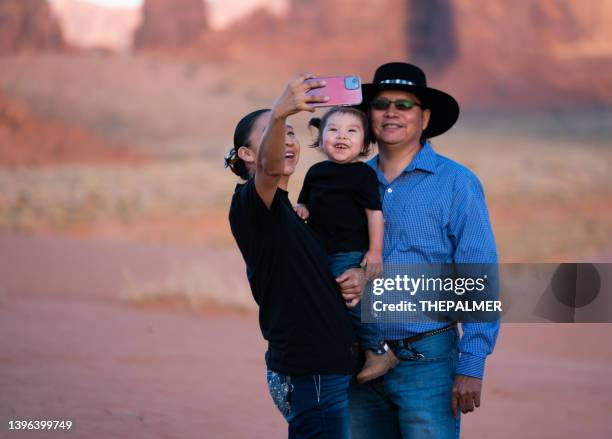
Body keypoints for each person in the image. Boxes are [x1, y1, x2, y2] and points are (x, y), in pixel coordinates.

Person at [348, 62, 500, 438]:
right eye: (381, 103)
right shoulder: (350, 182)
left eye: (404, 104)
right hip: (359, 362)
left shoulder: (456, 184)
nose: (391, 112)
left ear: (425, 117)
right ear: (369, 116)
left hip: (428, 360)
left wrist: (472, 364)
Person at [226, 74, 365, 438]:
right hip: (311, 371)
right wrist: (279, 114)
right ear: (246, 154)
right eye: (275, 133)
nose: (287, 140)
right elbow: (270, 169)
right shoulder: (250, 204)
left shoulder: (295, 213)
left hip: (325, 371)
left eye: (291, 134)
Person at [294, 106, 399, 384]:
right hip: (318, 251)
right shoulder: (316, 172)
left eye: (352, 131)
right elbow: (305, 202)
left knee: (352, 298)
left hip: (348, 250)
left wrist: (375, 251)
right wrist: (302, 208)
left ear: (365, 143)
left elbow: (375, 214)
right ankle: (335, 351)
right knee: (322, 302)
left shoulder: (362, 175)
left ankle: (377, 350)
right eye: (333, 130)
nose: (342, 136)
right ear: (321, 137)